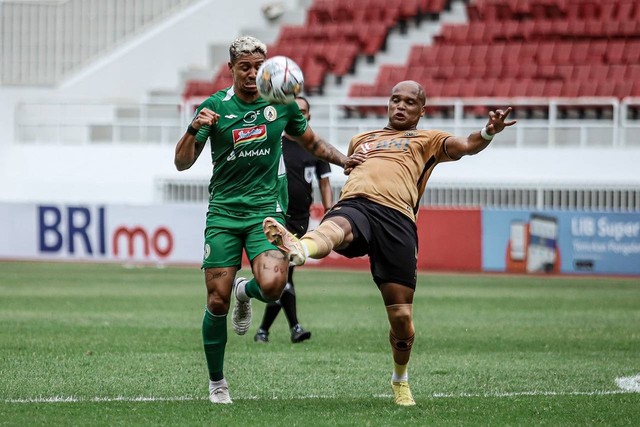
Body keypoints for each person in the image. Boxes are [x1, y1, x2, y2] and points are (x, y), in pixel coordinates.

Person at [262, 80, 516, 406]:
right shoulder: (362, 139)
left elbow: (467, 145)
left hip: (397, 219)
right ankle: (299, 248)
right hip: (356, 204)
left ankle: (400, 379)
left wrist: (488, 132)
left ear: (422, 110)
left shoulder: (429, 139)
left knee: (401, 318)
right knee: (336, 227)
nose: (400, 106)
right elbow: (350, 170)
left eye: (409, 102)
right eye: (395, 99)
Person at [174, 35, 363, 404]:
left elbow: (312, 143)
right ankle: (217, 383)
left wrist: (344, 160)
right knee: (216, 301)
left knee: (275, 287)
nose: (251, 73)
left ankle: (248, 291)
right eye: (244, 67)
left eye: (258, 67)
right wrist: (194, 128)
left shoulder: (281, 103)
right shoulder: (214, 107)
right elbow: (181, 163)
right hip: (225, 213)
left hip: (265, 213)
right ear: (231, 69)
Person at [254, 96, 333, 344]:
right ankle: (294, 328)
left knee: (283, 275)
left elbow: (325, 183)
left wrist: (329, 213)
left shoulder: (314, 147)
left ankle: (265, 330)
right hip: (276, 217)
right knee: (284, 273)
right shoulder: (274, 143)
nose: (298, 114)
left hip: (300, 220)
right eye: (294, 110)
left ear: (308, 117)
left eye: (303, 111)